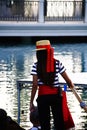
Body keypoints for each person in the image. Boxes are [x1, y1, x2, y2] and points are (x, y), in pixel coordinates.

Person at [30, 40, 75, 130]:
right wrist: (71, 86)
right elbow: (68, 81)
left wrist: (31, 102)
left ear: (38, 53)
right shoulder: (57, 63)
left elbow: (35, 85)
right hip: (56, 97)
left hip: (42, 97)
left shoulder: (36, 66)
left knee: (45, 124)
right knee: (59, 122)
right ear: (49, 51)